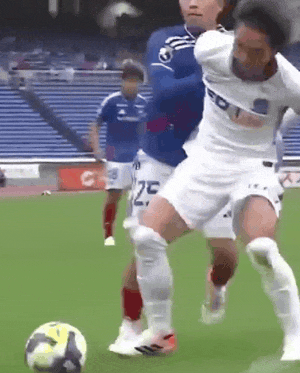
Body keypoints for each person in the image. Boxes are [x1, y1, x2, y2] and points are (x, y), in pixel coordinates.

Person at [123, 0, 300, 362]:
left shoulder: (292, 84)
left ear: (274, 52)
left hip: (253, 167)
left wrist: (276, 126)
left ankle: (296, 339)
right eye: (239, 45)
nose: (242, 56)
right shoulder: (209, 48)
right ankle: (161, 332)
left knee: (262, 249)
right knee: (147, 238)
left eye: (255, 51)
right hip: (205, 161)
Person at [107, 0, 240, 354]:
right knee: (145, 242)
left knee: (225, 255)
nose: (192, 3)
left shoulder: (238, 44)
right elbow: (164, 92)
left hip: (212, 162)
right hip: (160, 157)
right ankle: (133, 326)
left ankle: (217, 283)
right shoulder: (165, 39)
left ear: (221, 5)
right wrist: (215, 74)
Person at [88, 60, 147, 246]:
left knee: (140, 197)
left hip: (139, 158)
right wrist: (96, 149)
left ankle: (136, 231)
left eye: (135, 81)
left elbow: (151, 128)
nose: (131, 84)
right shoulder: (111, 101)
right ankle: (108, 234)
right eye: (128, 80)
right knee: (114, 196)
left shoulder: (144, 103)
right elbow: (95, 126)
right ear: (122, 81)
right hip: (116, 157)